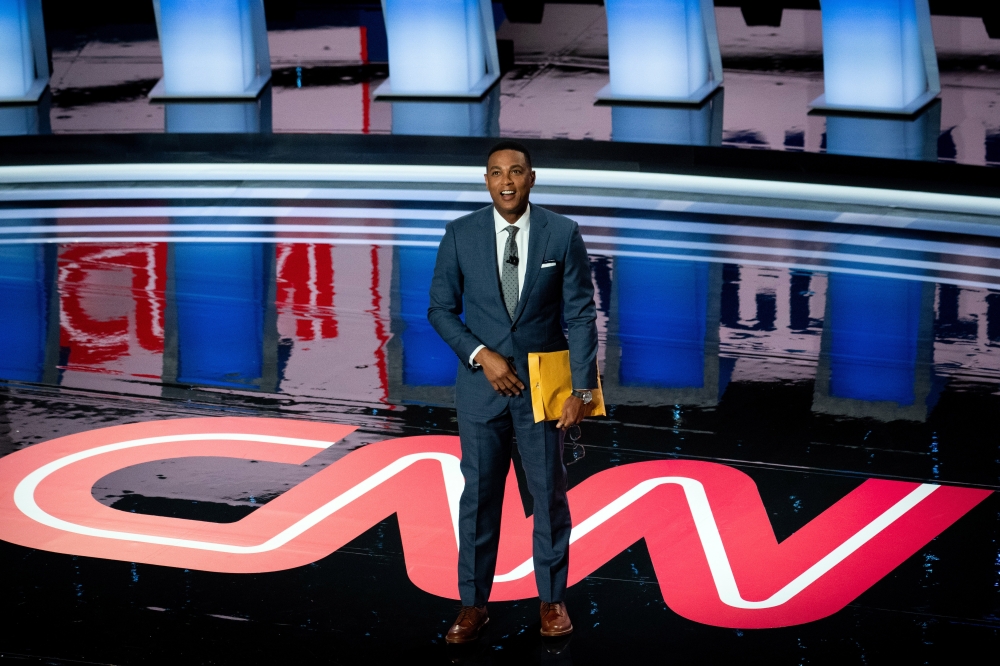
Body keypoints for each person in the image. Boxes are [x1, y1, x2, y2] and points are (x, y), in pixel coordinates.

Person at [427, 140, 599, 643]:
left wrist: (583, 391)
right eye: (497, 173)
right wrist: (483, 355)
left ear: (531, 178)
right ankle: (472, 605)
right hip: (482, 389)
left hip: (544, 392)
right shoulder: (460, 235)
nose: (507, 181)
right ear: (486, 181)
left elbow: (582, 315)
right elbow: (440, 309)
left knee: (547, 499)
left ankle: (551, 601)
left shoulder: (562, 233)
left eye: (516, 172)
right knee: (479, 499)